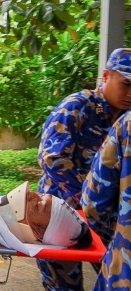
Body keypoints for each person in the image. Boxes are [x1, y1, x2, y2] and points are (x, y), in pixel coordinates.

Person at [36, 47, 131, 290]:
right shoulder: (78, 106)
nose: (130, 93)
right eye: (126, 84)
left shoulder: (126, 118)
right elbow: (51, 158)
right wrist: (85, 196)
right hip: (61, 215)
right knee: (63, 285)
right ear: (106, 76)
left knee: (116, 278)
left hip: (108, 221)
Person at [82, 109, 131, 290]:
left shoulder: (127, 124)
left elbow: (92, 204)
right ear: (106, 78)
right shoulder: (74, 107)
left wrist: (119, 233)